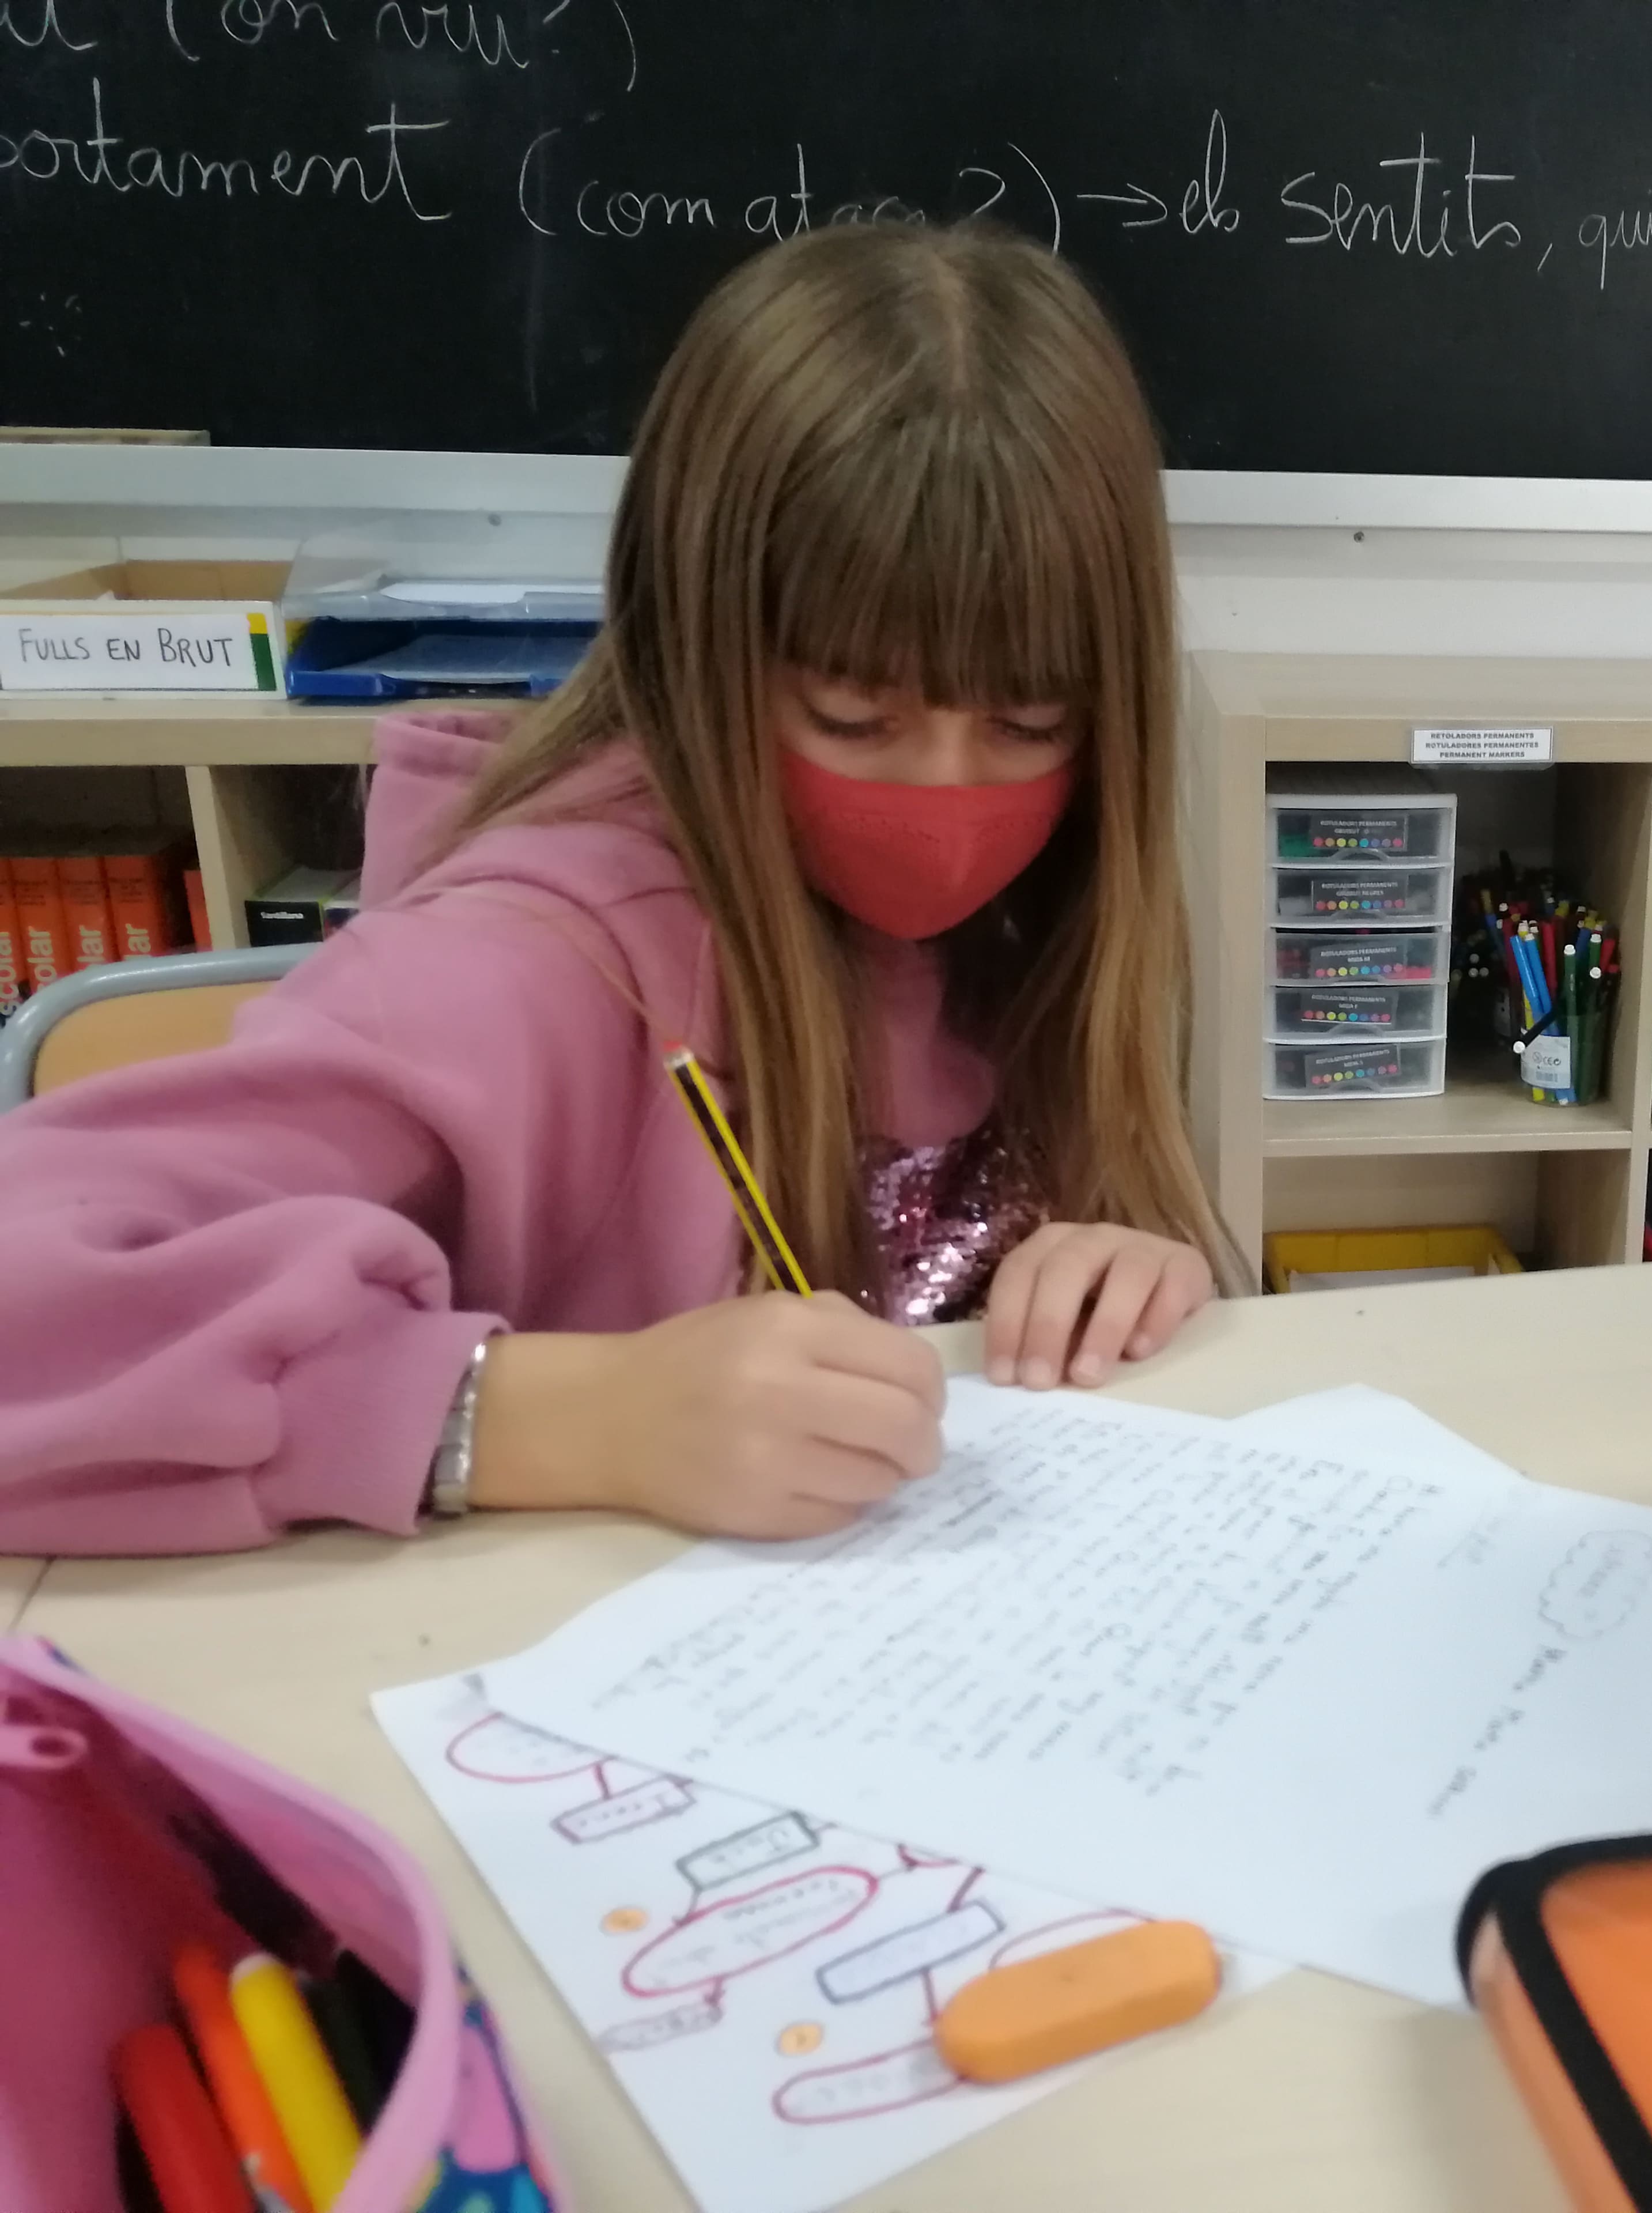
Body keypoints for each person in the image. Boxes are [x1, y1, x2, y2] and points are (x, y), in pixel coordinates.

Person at [0, 224, 1226, 1554]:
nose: (947, 799)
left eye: (1031, 725)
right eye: (852, 719)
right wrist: (559, 1418)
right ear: (699, 649)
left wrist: (1118, 1278)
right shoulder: (522, 965)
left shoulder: (1041, 914)